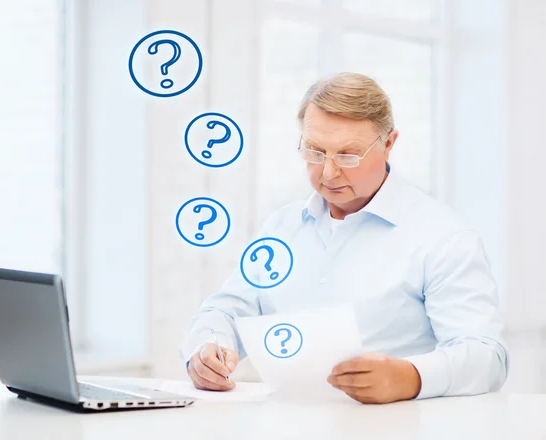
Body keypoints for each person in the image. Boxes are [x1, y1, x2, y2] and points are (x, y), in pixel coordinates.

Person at [179, 72, 509, 404]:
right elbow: (227, 309)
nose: (328, 172)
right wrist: (207, 349)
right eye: (315, 152)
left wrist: (411, 377)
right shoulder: (281, 227)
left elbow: (486, 356)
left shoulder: (443, 237)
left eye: (348, 155)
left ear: (389, 144)